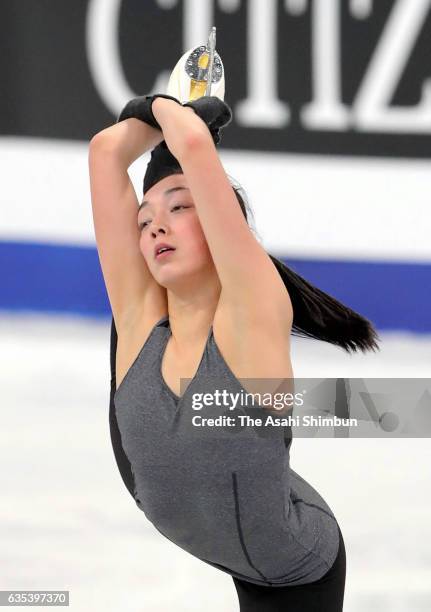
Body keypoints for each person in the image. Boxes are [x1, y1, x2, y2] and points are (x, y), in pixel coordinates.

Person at [89, 94, 379, 611]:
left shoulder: (251, 316)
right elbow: (105, 154)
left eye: (180, 206)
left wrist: (164, 107)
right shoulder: (138, 322)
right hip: (225, 514)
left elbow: (195, 144)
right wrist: (158, 116)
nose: (155, 224)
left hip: (292, 569)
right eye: (145, 219)